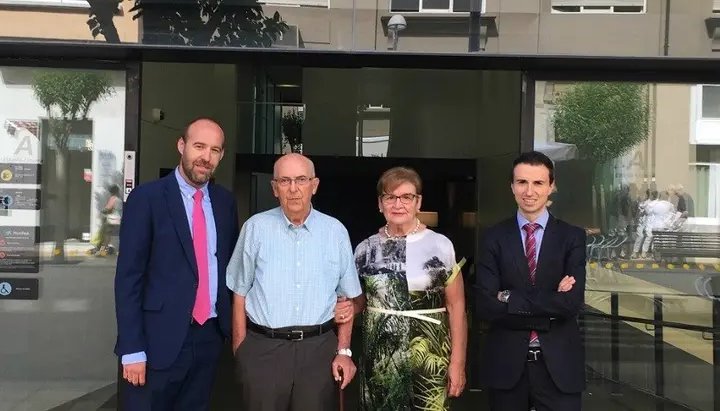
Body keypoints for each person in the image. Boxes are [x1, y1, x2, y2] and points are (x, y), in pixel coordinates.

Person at [114, 117, 239, 410]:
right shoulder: (147, 198)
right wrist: (132, 349)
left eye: (215, 150)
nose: (205, 157)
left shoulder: (224, 202)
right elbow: (128, 278)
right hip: (155, 342)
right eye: (199, 146)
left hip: (208, 338)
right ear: (181, 146)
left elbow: (229, 268)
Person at [226, 153, 362, 411]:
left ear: (315, 185)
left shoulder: (335, 232)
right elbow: (239, 290)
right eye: (284, 180)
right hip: (263, 349)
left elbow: (347, 299)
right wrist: (240, 349)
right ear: (274, 188)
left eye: (301, 180)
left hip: (318, 350)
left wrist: (343, 351)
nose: (293, 189)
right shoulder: (255, 228)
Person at [334, 166, 468, 410]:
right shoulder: (365, 249)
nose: (398, 204)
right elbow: (358, 301)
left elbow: (456, 306)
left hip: (429, 356)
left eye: (406, 197)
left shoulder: (440, 245)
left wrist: (457, 363)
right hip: (381, 359)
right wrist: (342, 314)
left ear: (418, 202)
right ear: (380, 203)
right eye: (390, 197)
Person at [475, 151, 586, 411]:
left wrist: (509, 297)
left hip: (559, 367)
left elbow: (571, 303)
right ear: (512, 186)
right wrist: (551, 301)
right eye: (522, 182)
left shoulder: (572, 237)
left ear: (551, 186)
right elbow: (486, 305)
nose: (529, 191)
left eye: (538, 183)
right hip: (506, 365)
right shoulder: (494, 237)